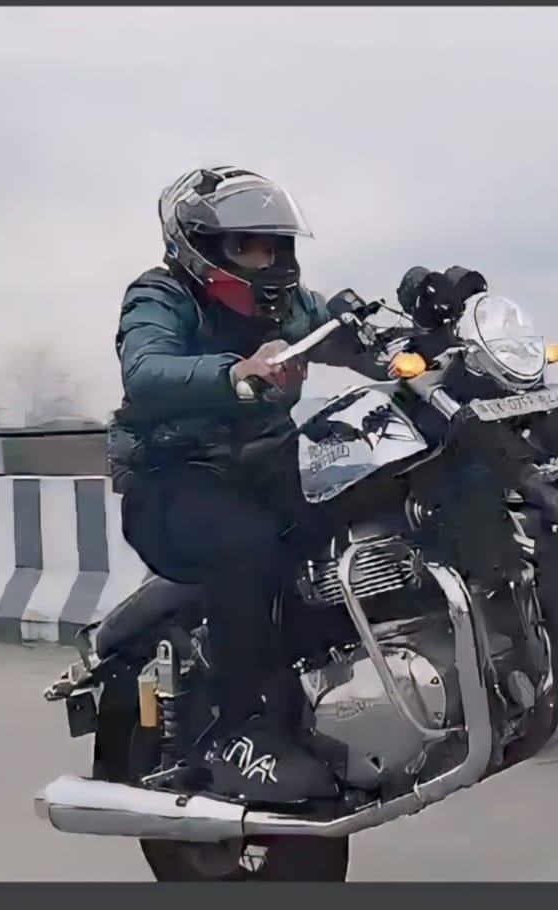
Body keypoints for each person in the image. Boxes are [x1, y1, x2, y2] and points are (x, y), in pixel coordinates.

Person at [107, 166, 384, 807]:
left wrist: (417, 333)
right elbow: (145, 367)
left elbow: (353, 342)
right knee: (248, 548)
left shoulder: (291, 305)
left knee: (368, 480)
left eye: (276, 245)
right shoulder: (161, 295)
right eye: (247, 246)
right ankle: (237, 731)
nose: (268, 260)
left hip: (262, 466)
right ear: (200, 247)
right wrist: (233, 373)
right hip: (173, 479)